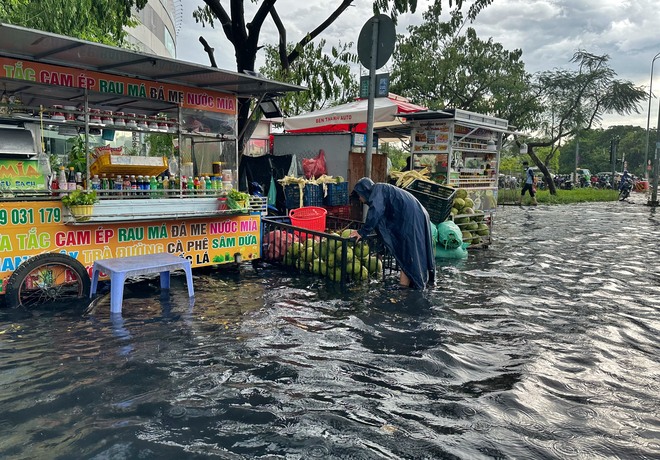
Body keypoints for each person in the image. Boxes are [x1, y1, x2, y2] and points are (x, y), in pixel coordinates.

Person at [349, 177, 435, 289]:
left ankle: (405, 289)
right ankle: (412, 284)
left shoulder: (377, 191)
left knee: (408, 253)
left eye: (359, 195)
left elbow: (375, 212)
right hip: (418, 213)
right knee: (413, 252)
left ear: (365, 191)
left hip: (412, 216)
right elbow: (381, 227)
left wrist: (362, 232)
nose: (359, 199)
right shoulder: (382, 191)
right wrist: (379, 252)